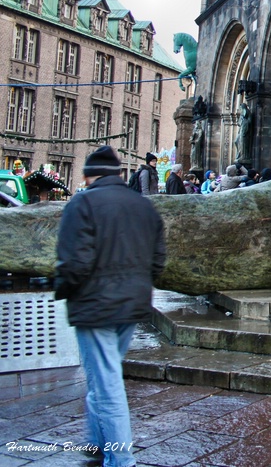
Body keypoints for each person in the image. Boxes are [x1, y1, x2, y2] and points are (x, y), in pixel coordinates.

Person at [54, 145, 166, 467]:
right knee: (103, 375)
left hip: (94, 306)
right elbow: (157, 261)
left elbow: (73, 262)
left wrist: (64, 289)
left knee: (107, 385)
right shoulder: (143, 207)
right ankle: (96, 441)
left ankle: (121, 459)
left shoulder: (82, 203)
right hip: (130, 305)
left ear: (90, 175)